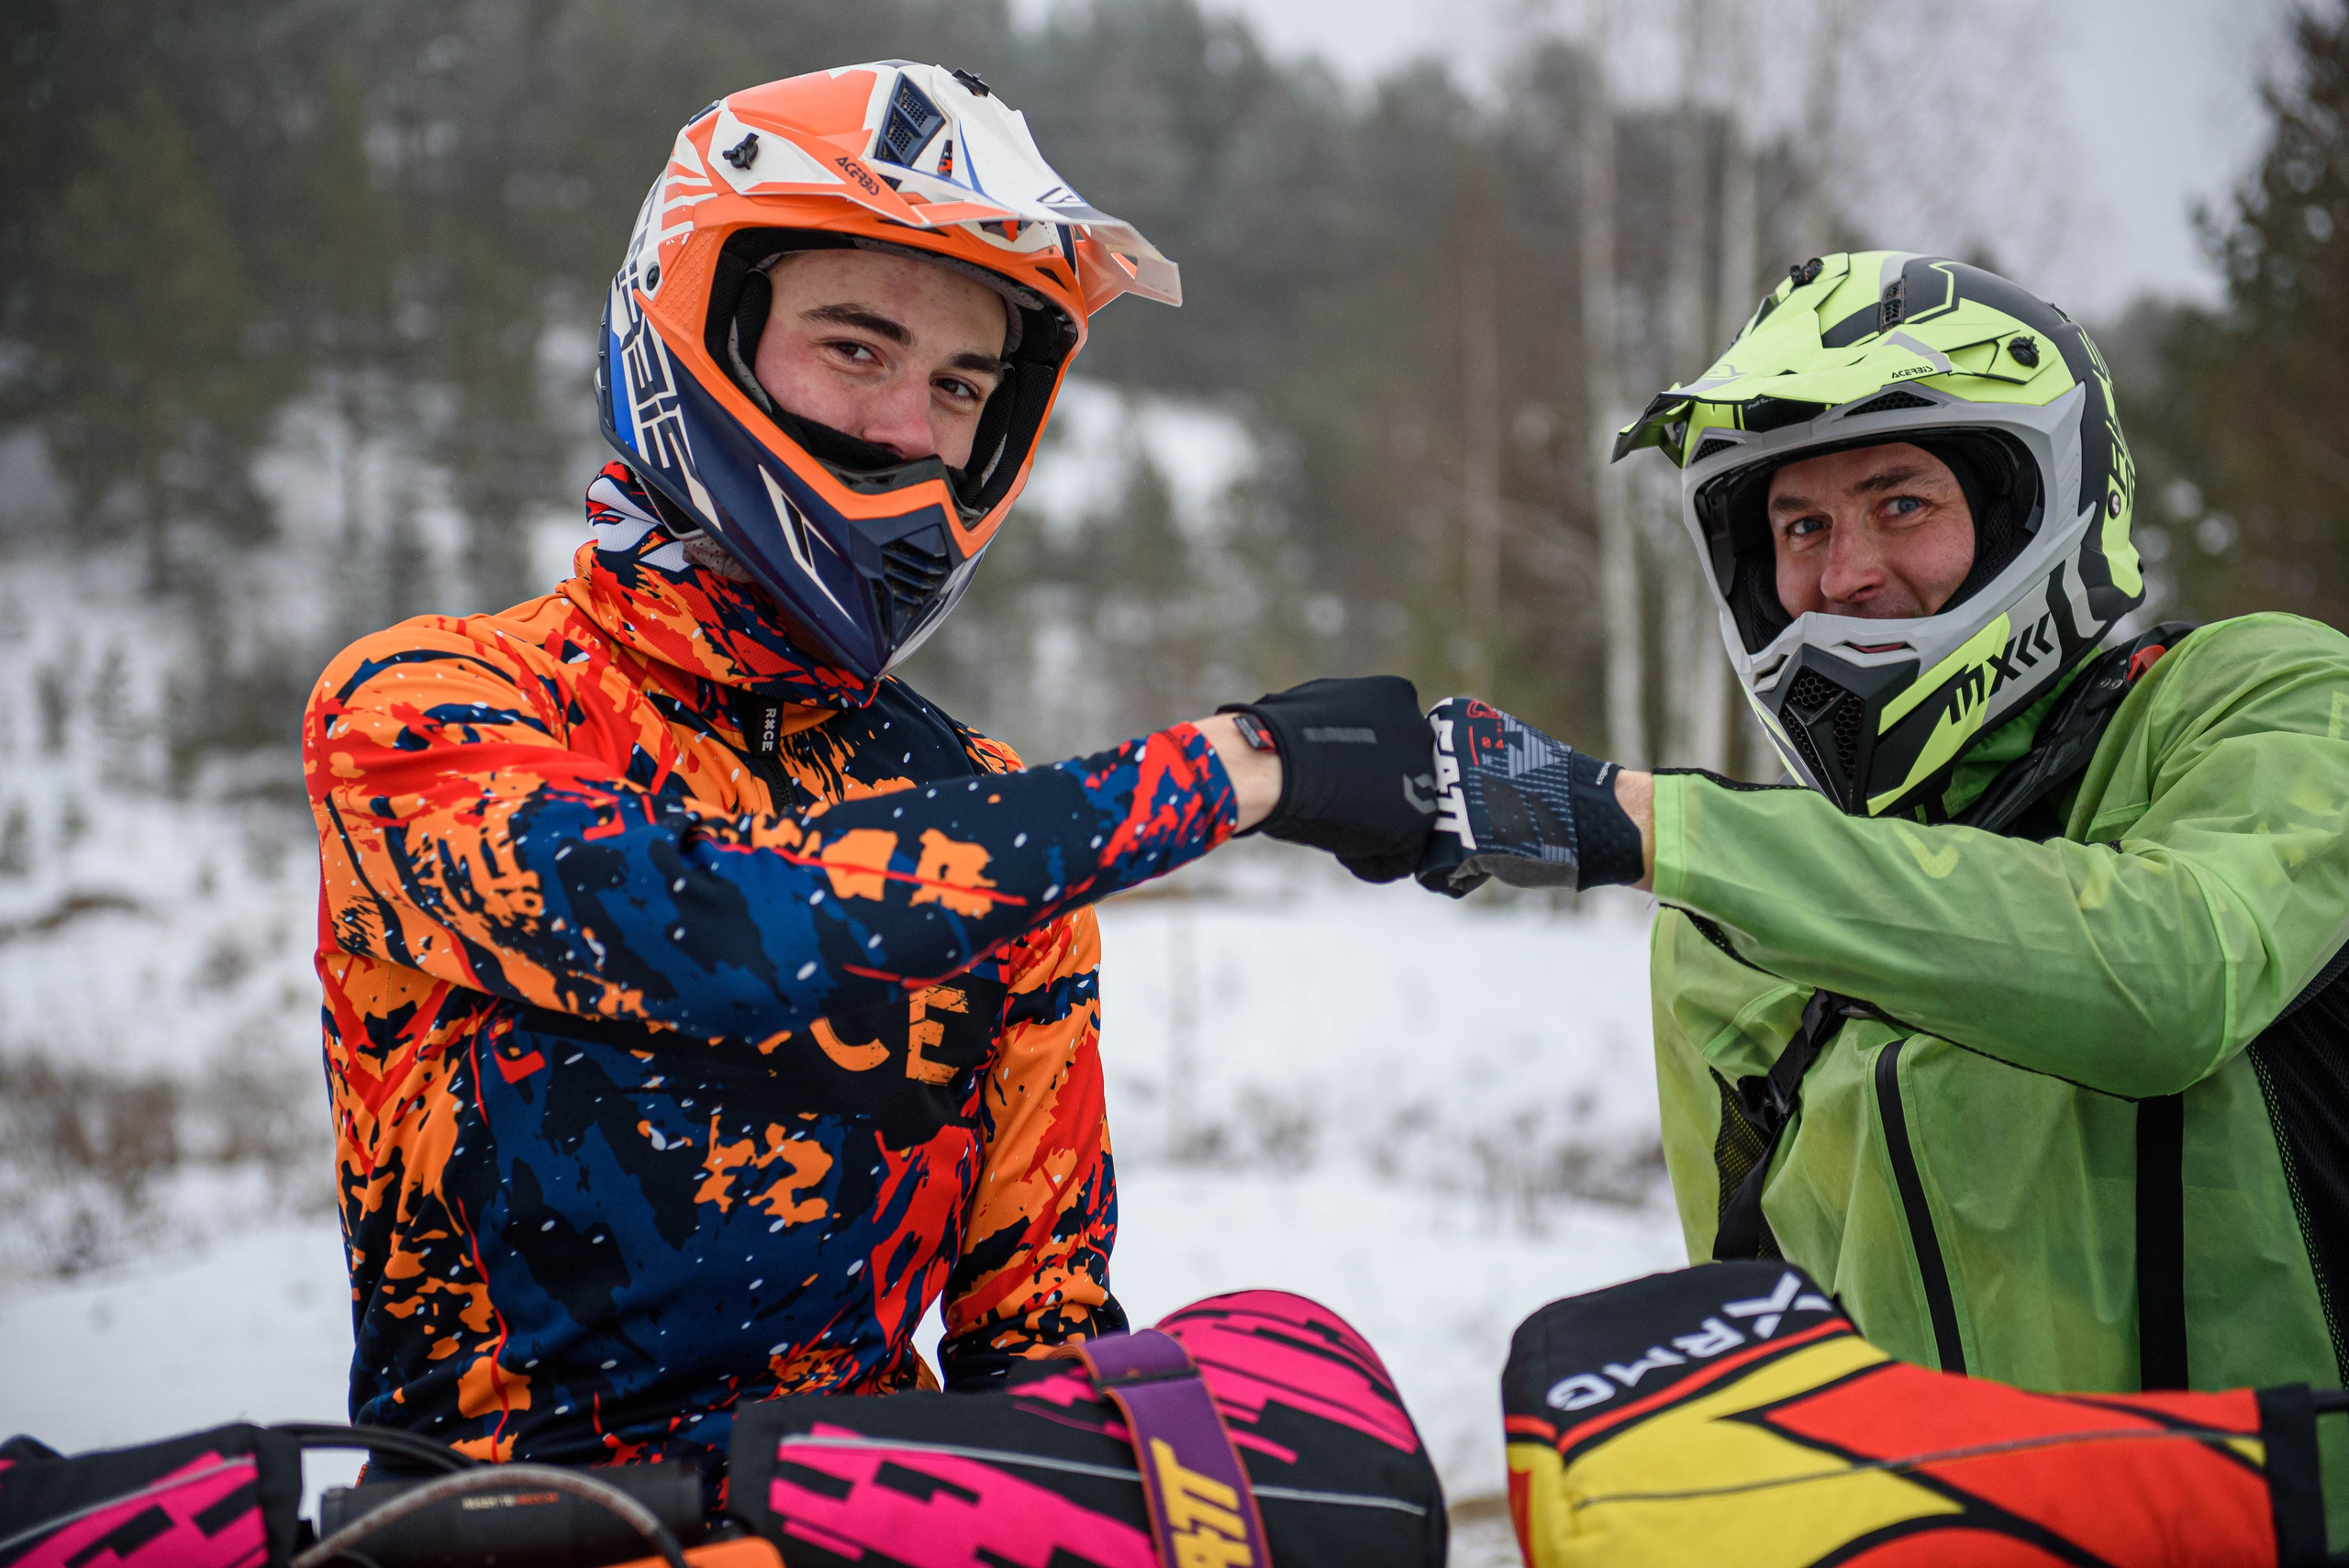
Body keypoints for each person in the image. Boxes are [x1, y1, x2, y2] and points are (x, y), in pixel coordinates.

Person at [302, 61, 1434, 1478]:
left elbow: (1040, 1327)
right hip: (491, 1524)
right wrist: (1227, 768)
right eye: (857, 348)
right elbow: (713, 931)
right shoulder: (437, 704)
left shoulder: (979, 788)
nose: (911, 428)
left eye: (960, 384)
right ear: (700, 332)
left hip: (866, 1522)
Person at [1419, 252, 2349, 1503]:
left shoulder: (2259, 702)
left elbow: (2175, 975)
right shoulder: (1733, 920)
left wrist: (1650, 824)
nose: (1844, 572)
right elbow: (1751, 1337)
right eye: (1800, 526)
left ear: (2033, 505)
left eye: (1900, 503)